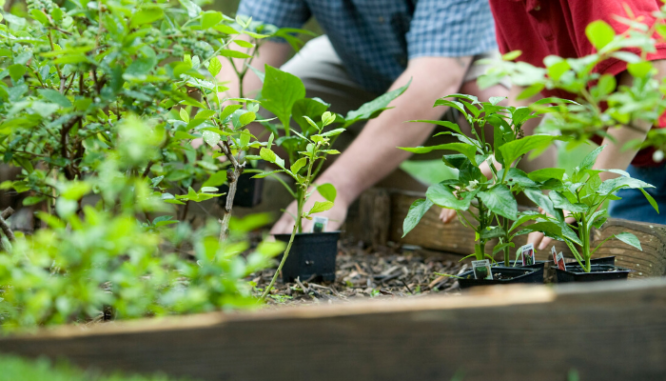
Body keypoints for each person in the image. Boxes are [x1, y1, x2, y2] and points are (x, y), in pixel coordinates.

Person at [220, 0, 518, 234]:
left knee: (494, 108)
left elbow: (435, 77)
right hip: (359, 62)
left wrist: (336, 187)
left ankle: (533, 209)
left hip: (463, 62)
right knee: (265, 112)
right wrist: (218, 128)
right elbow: (250, 45)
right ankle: (403, 199)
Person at [446, 0, 666, 250]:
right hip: (643, 164)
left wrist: (587, 190)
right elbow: (530, 76)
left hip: (645, 154)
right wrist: (502, 158)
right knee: (631, 262)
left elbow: (650, 73)